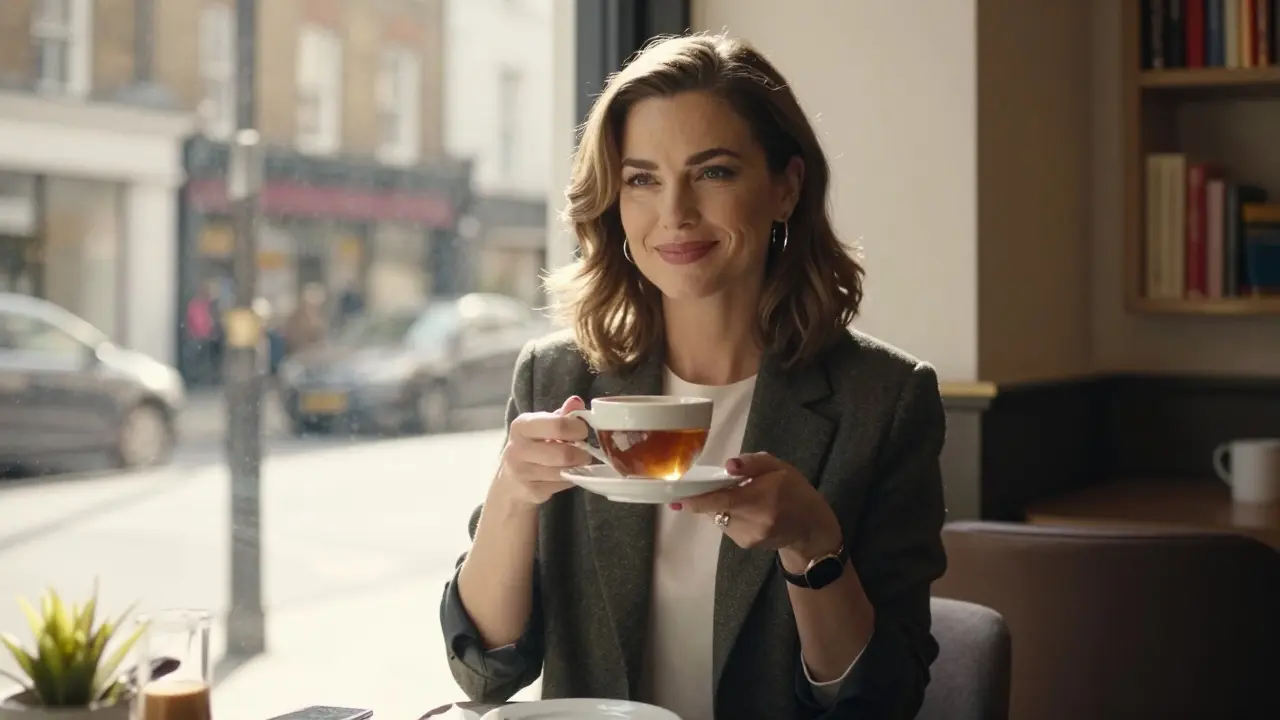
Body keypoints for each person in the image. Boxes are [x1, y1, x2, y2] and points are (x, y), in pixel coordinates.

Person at [440, 33, 947, 720]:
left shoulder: (883, 401)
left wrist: (812, 547)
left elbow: (879, 703)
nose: (674, 213)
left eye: (712, 172)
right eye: (642, 179)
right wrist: (510, 494)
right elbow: (484, 676)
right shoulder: (557, 378)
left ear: (785, 188)